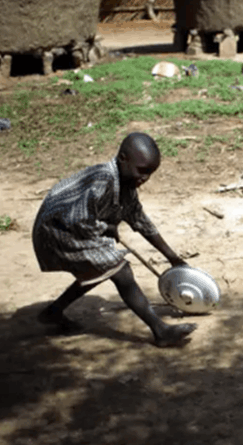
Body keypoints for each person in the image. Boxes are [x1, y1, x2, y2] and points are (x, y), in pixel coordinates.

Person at [32, 132, 198, 347]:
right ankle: (160, 330)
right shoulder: (103, 178)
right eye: (142, 170)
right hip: (56, 228)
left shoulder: (126, 184)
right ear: (122, 159)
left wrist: (173, 258)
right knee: (119, 270)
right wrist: (107, 227)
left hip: (72, 226)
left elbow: (140, 221)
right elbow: (79, 219)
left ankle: (53, 312)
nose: (145, 178)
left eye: (150, 173)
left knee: (100, 268)